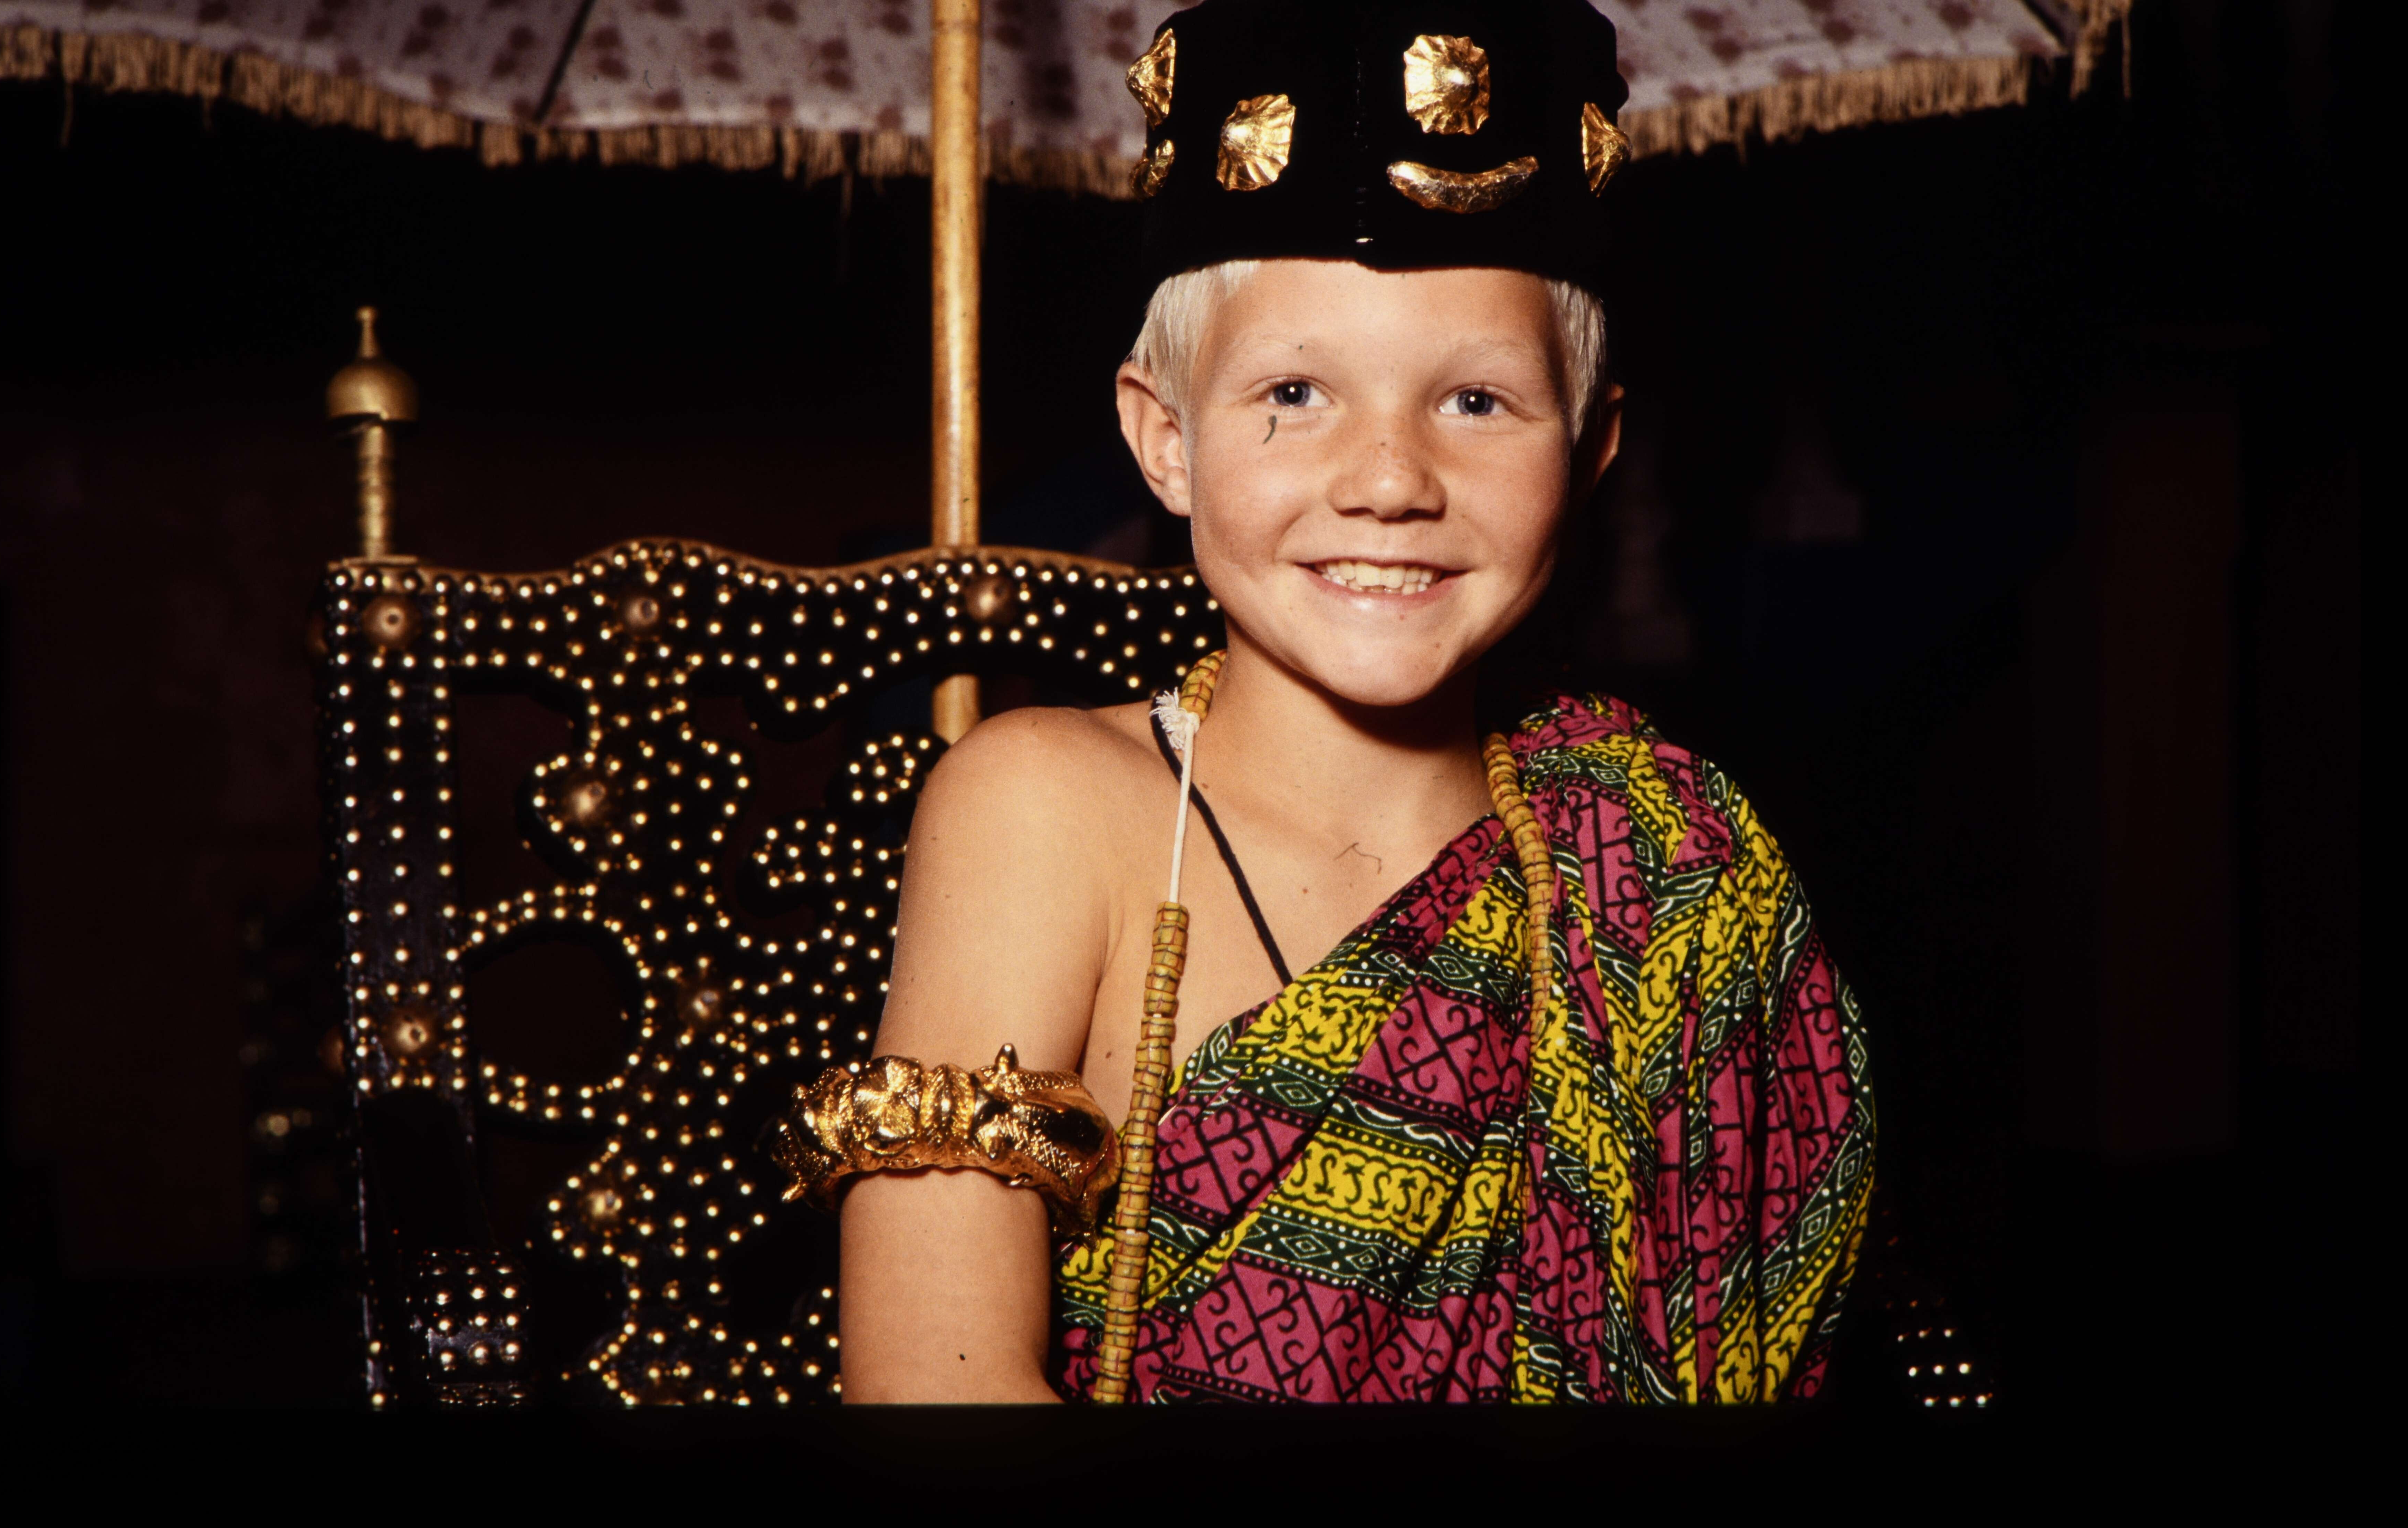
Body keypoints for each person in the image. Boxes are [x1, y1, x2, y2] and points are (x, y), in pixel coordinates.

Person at [770, 0, 1873, 1404]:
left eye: (1475, 403)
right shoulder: (1048, 808)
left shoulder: (1662, 868)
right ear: (1166, 439)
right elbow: (934, 1376)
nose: (1390, 480)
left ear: (1591, 448)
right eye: (1295, 392)